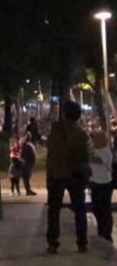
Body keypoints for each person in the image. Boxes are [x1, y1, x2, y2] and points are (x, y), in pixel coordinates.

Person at [45, 100, 91, 254]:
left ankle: (53, 243)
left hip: (56, 174)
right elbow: (85, 156)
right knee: (79, 209)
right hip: (75, 174)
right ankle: (82, 243)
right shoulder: (81, 134)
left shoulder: (56, 129)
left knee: (53, 210)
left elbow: (50, 147)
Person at [89, 131, 113, 242]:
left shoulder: (106, 152)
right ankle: (101, 230)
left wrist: (89, 156)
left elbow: (98, 161)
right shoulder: (93, 151)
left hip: (105, 183)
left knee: (105, 208)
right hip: (94, 182)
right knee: (96, 208)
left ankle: (106, 232)